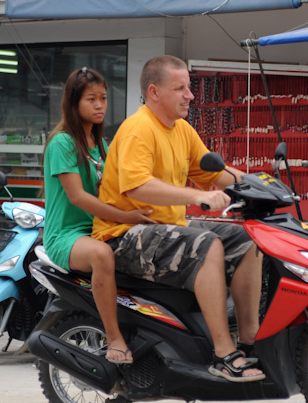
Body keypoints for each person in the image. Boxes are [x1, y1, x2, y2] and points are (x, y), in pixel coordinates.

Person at [92, 55, 265, 382]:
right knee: (208, 244)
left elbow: (214, 172)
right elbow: (137, 186)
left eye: (189, 87)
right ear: (154, 92)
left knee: (248, 240)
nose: (190, 95)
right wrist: (196, 196)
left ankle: (250, 340)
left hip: (168, 228)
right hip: (126, 234)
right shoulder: (138, 129)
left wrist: (260, 184)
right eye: (181, 88)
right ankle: (223, 354)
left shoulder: (182, 130)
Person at [43, 67, 154, 364]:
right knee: (103, 255)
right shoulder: (62, 143)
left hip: (100, 227)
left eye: (103, 98)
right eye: (91, 99)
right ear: (73, 102)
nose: (99, 105)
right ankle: (114, 337)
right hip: (67, 235)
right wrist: (128, 217)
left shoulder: (104, 146)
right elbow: (78, 197)